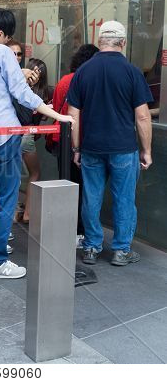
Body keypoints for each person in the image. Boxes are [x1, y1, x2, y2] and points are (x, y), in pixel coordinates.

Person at [0, 7, 74, 280]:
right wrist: (57, 115)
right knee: (7, 198)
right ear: (1, 33)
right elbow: (22, 93)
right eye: (8, 37)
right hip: (5, 134)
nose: (9, 42)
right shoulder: (1, 53)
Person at [67, 20, 153, 266]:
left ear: (100, 41)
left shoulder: (83, 71)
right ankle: (120, 250)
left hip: (91, 147)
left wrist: (76, 148)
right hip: (124, 148)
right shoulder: (132, 72)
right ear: (123, 42)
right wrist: (146, 150)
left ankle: (92, 247)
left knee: (91, 198)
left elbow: (74, 114)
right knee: (124, 198)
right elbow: (143, 116)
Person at [52, 44, 99, 243]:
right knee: (82, 186)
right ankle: (79, 230)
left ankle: (65, 226)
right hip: (78, 139)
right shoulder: (89, 80)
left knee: (66, 184)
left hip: (59, 139)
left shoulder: (64, 80)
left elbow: (55, 106)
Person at [18, 58, 51, 223]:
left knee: (11, 175)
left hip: (14, 134)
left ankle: (19, 211)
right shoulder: (43, 92)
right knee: (35, 172)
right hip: (26, 135)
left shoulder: (18, 87)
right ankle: (28, 213)